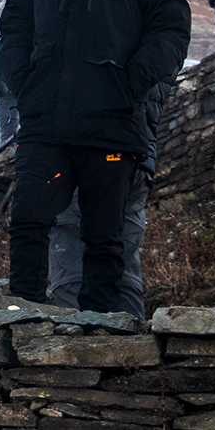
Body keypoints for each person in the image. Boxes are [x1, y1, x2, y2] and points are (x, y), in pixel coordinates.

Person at [0, 0, 190, 312]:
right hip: (46, 123)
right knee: (27, 222)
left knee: (105, 236)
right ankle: (18, 320)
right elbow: (15, 26)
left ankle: (104, 333)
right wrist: (28, 86)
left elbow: (171, 29)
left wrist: (129, 84)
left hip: (112, 123)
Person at [47, 83, 168, 315]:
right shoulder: (153, 51)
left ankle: (79, 344)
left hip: (84, 146)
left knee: (73, 258)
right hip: (138, 147)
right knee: (121, 258)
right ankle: (133, 344)